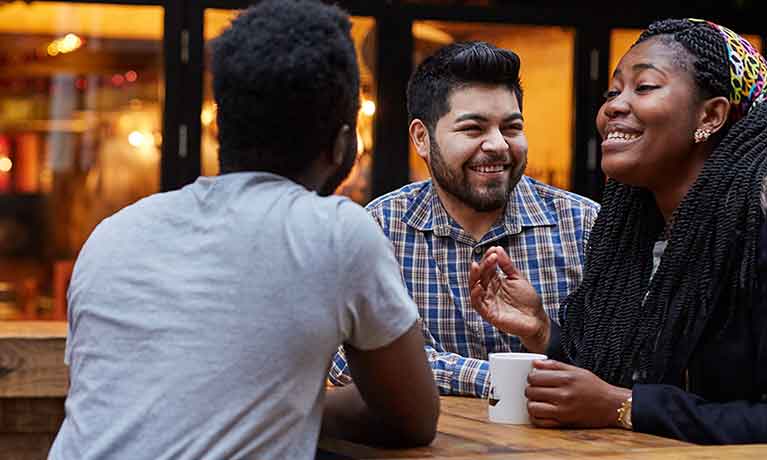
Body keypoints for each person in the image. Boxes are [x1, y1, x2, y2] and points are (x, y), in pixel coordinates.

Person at [49, 2, 439, 459]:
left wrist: (245, 403)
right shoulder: (337, 232)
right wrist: (290, 404)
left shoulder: (114, 233)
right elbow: (411, 418)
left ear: (218, 130)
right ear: (342, 143)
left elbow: (97, 402)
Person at [470, 18, 767, 444]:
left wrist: (625, 407)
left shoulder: (755, 229)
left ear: (711, 115)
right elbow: (610, 376)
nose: (613, 106)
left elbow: (621, 397)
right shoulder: (632, 238)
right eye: (613, 91)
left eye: (643, 87)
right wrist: (540, 330)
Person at [329, 41, 599, 398]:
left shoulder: (584, 226)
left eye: (512, 127)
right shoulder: (381, 228)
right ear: (422, 139)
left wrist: (542, 333)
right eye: (474, 129)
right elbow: (346, 357)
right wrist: (494, 379)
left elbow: (623, 366)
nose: (499, 145)